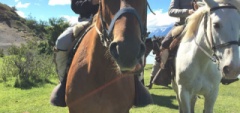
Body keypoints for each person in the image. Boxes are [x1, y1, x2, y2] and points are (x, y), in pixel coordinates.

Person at [50, 0, 99, 107]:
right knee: (62, 42)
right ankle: (65, 83)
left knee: (132, 40)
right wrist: (92, 2)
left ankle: (136, 83)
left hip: (109, 21)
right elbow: (75, 6)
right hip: (85, 22)